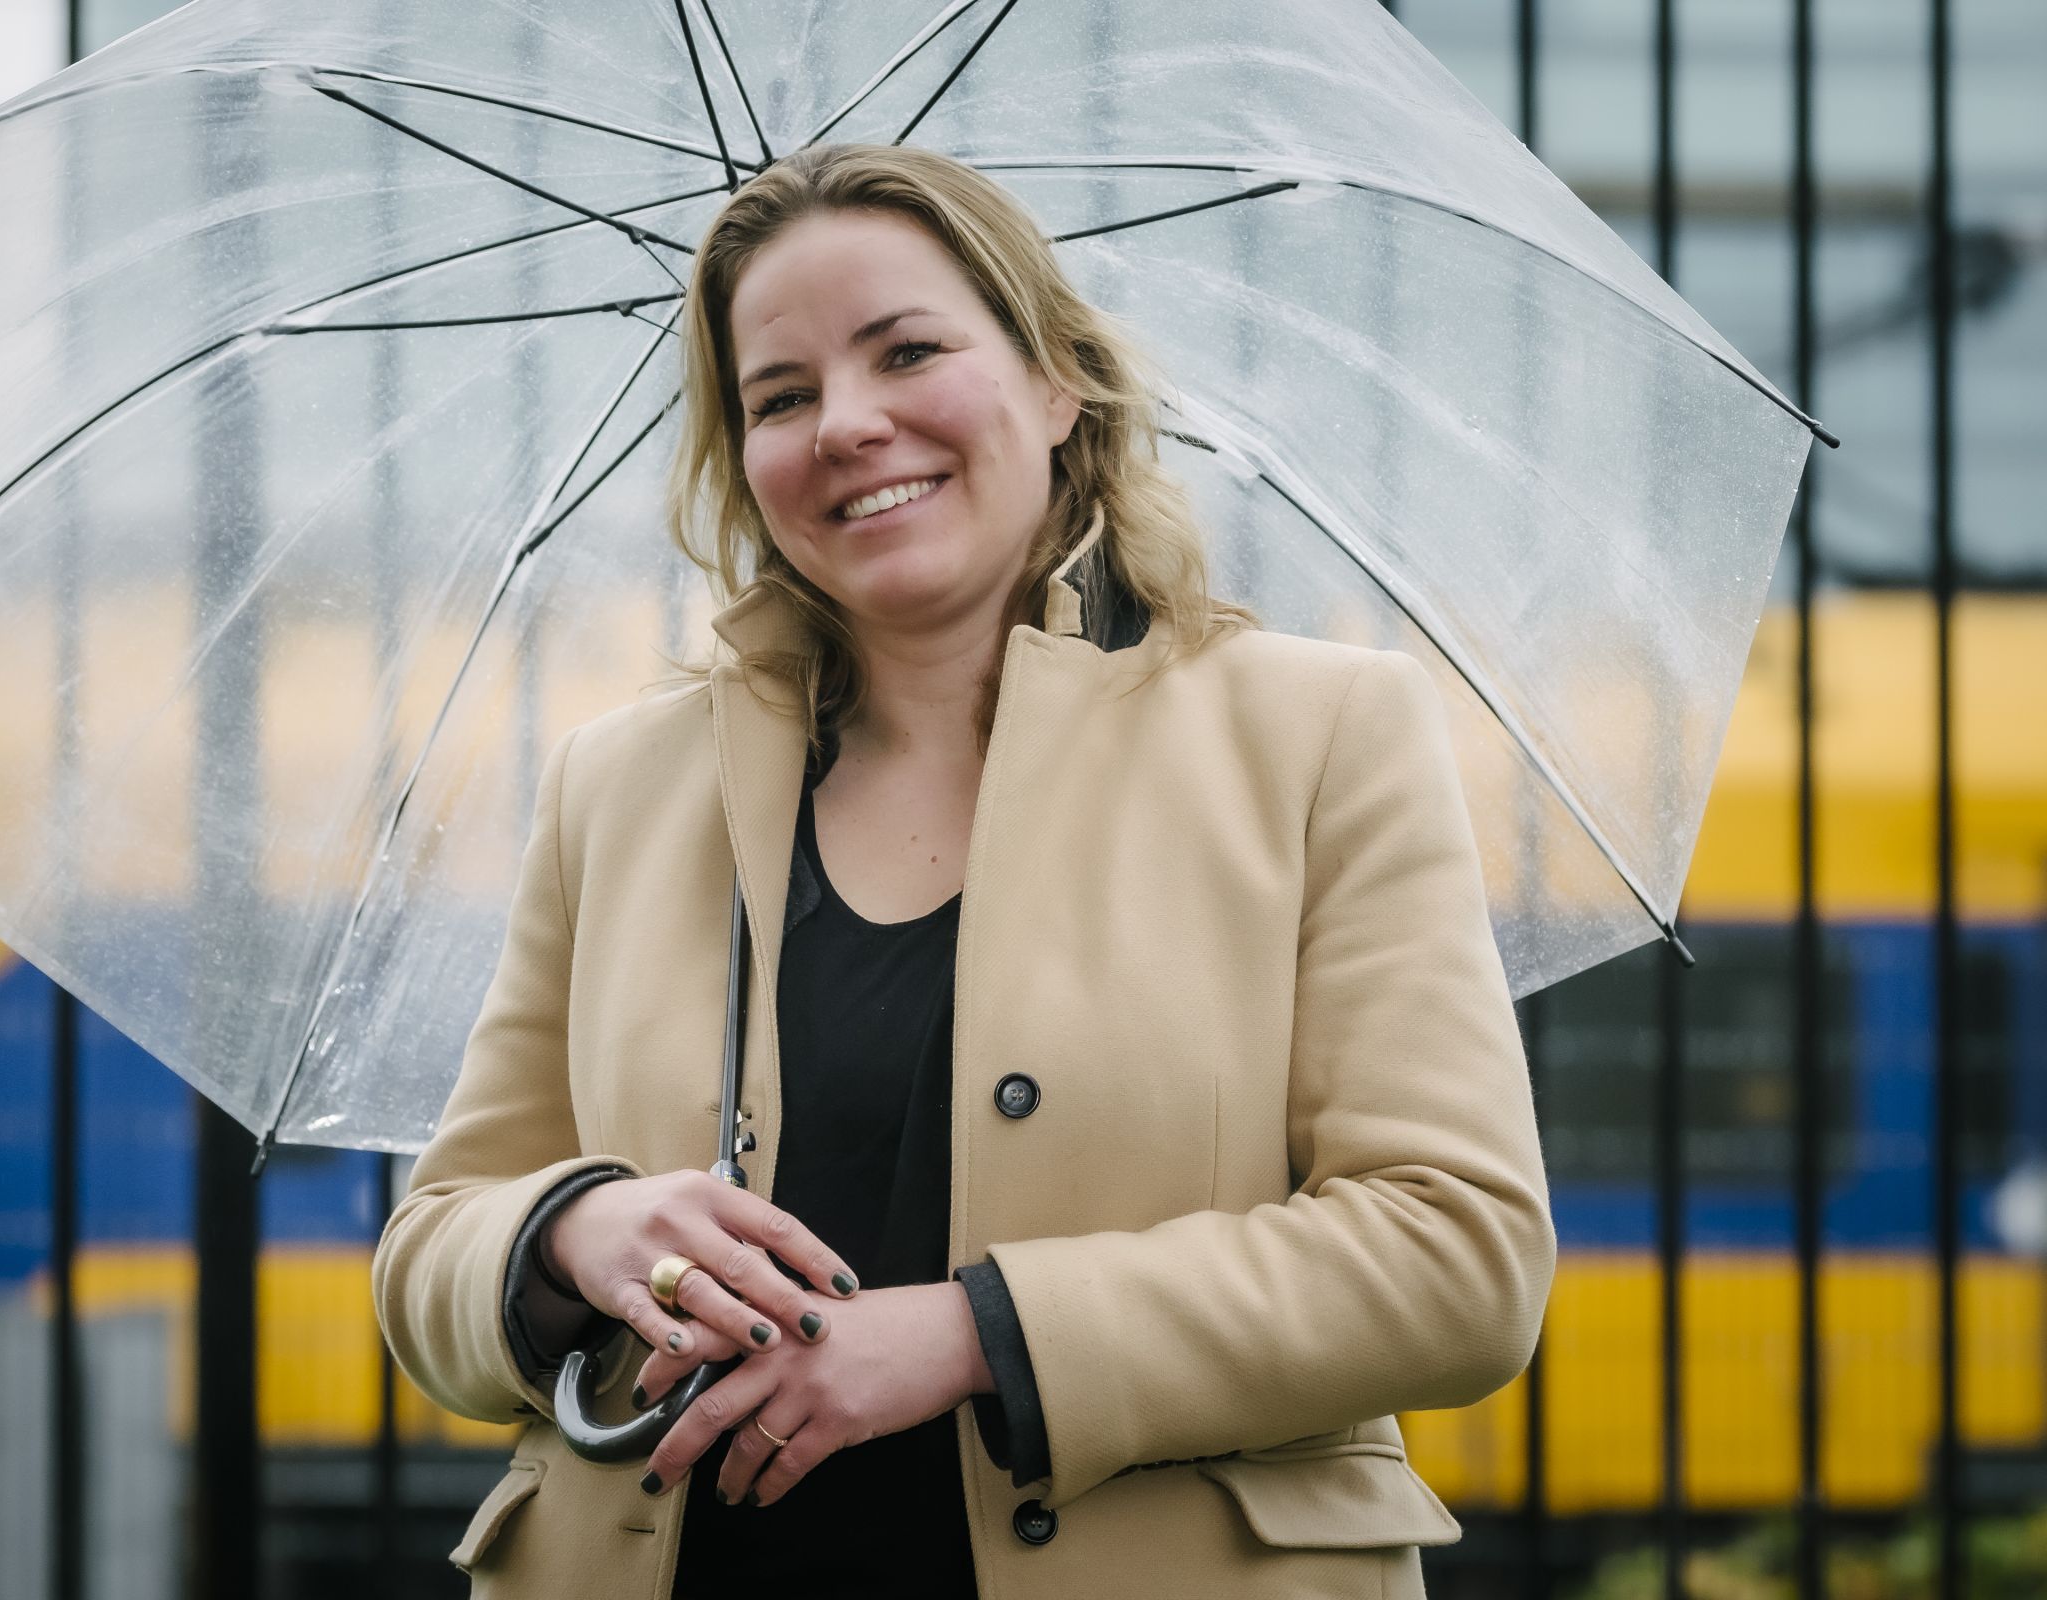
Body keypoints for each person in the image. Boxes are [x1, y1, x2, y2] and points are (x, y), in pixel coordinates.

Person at [373, 142, 1554, 1599]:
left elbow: (1458, 1259)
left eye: (907, 352)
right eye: (780, 397)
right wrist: (572, 1230)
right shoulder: (619, 784)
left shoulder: (1319, 735)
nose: (846, 425)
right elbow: (428, 1262)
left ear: (1059, 382)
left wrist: (973, 1337)